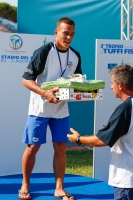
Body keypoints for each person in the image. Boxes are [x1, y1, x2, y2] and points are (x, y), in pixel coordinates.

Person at [18, 17, 82, 200]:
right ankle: (25, 184)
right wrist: (44, 93)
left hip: (61, 110)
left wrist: (83, 94)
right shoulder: (44, 52)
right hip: (39, 108)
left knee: (61, 147)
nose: (68, 37)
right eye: (65, 33)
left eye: (72, 34)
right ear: (56, 33)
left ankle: (59, 188)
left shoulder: (76, 55)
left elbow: (77, 82)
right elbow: (26, 80)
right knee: (33, 147)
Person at [67, 64, 133, 200]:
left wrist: (78, 139)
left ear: (120, 85)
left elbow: (102, 140)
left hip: (127, 179)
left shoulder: (125, 109)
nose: (110, 87)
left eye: (112, 83)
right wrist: (114, 128)